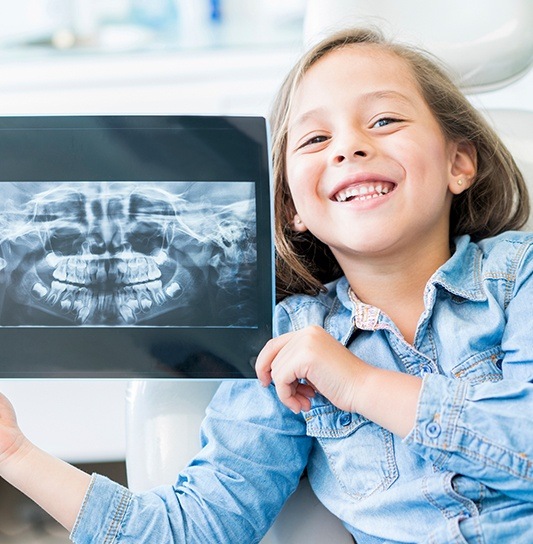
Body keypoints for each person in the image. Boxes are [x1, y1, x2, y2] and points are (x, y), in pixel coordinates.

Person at [1, 26, 532, 543]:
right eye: (316, 138)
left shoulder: (520, 275)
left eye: (385, 119)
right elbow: (194, 530)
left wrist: (358, 384)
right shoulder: (283, 342)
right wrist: (13, 453)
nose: (348, 146)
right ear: (291, 207)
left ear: (458, 163)